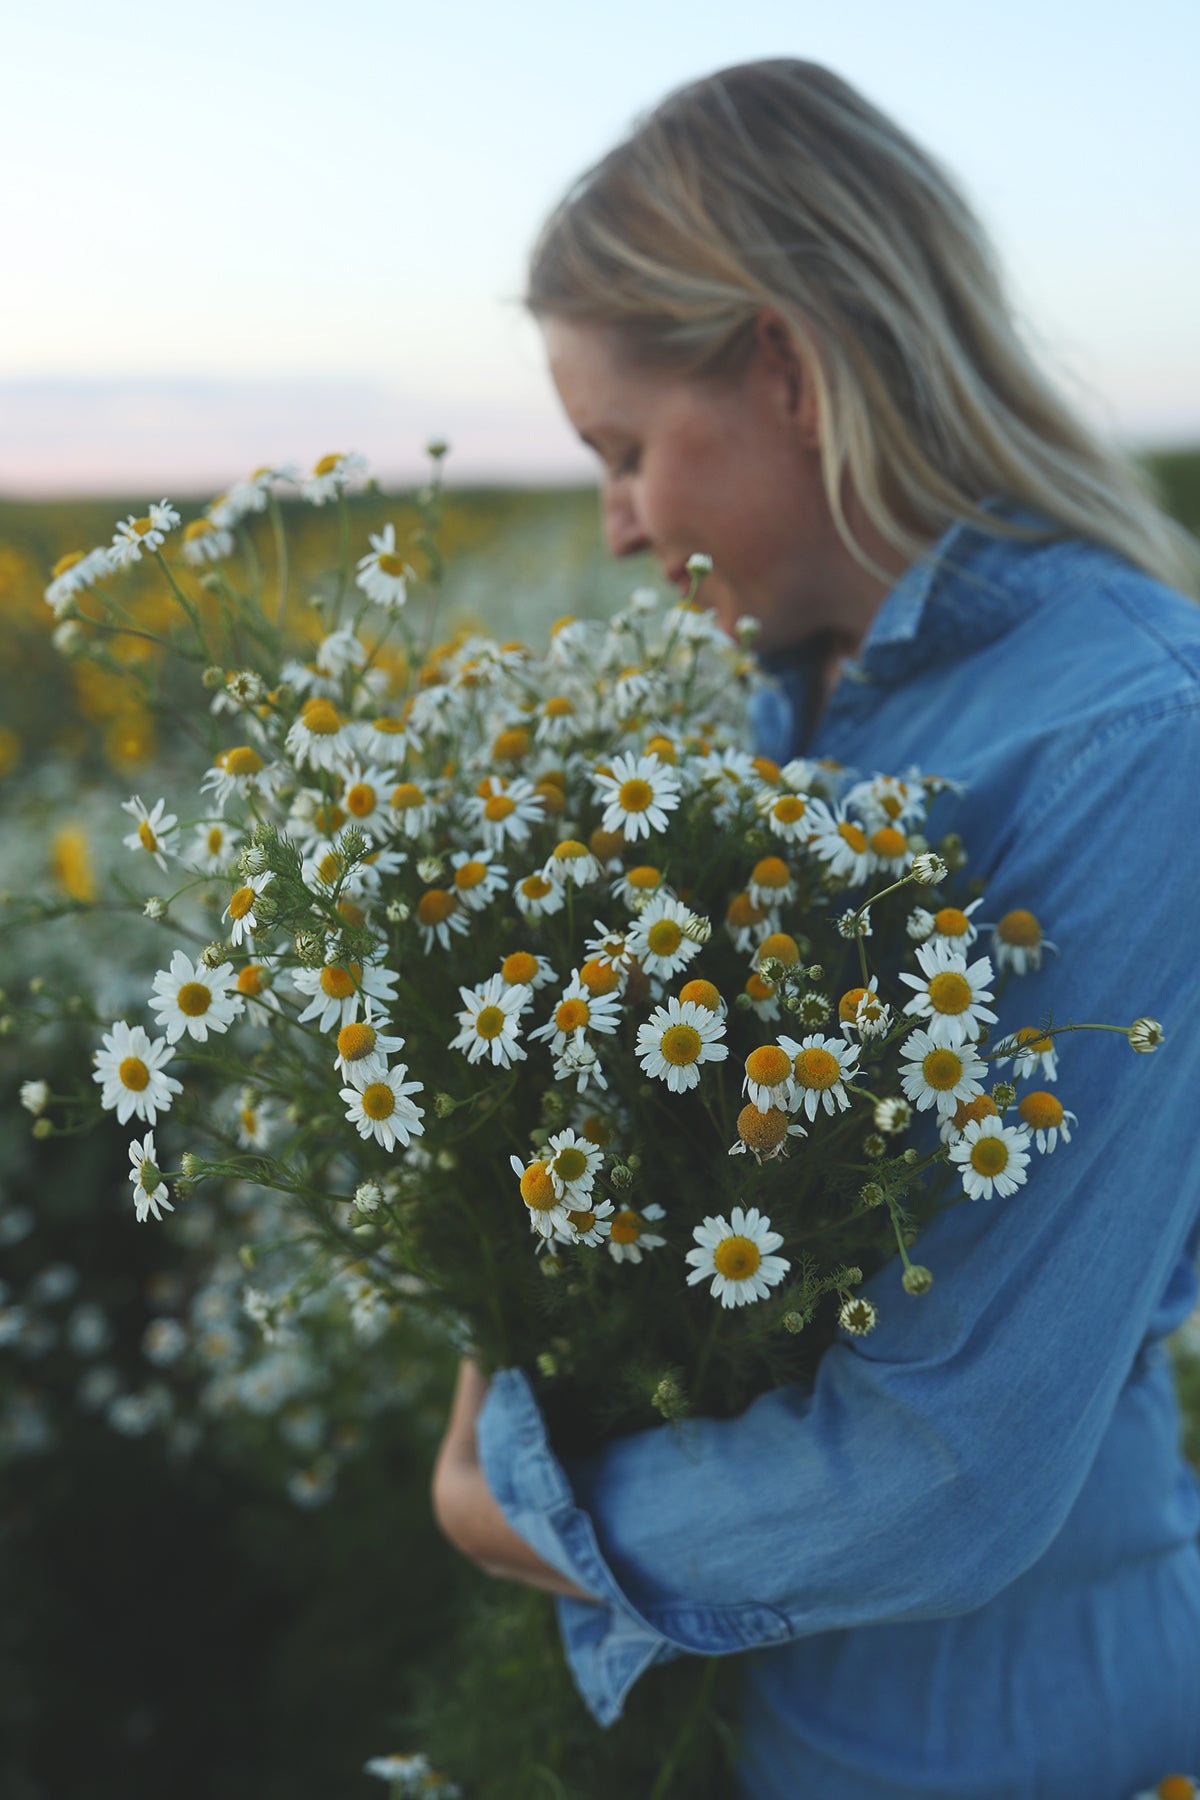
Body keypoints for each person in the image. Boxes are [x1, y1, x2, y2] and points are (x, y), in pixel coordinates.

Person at [432, 59, 1200, 1799]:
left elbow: (955, 1468)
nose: (616, 524)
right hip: (762, 1713)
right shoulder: (770, 718)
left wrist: (515, 1498)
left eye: (627, 450)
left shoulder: (1128, 734)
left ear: (785, 365)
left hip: (1009, 1738)